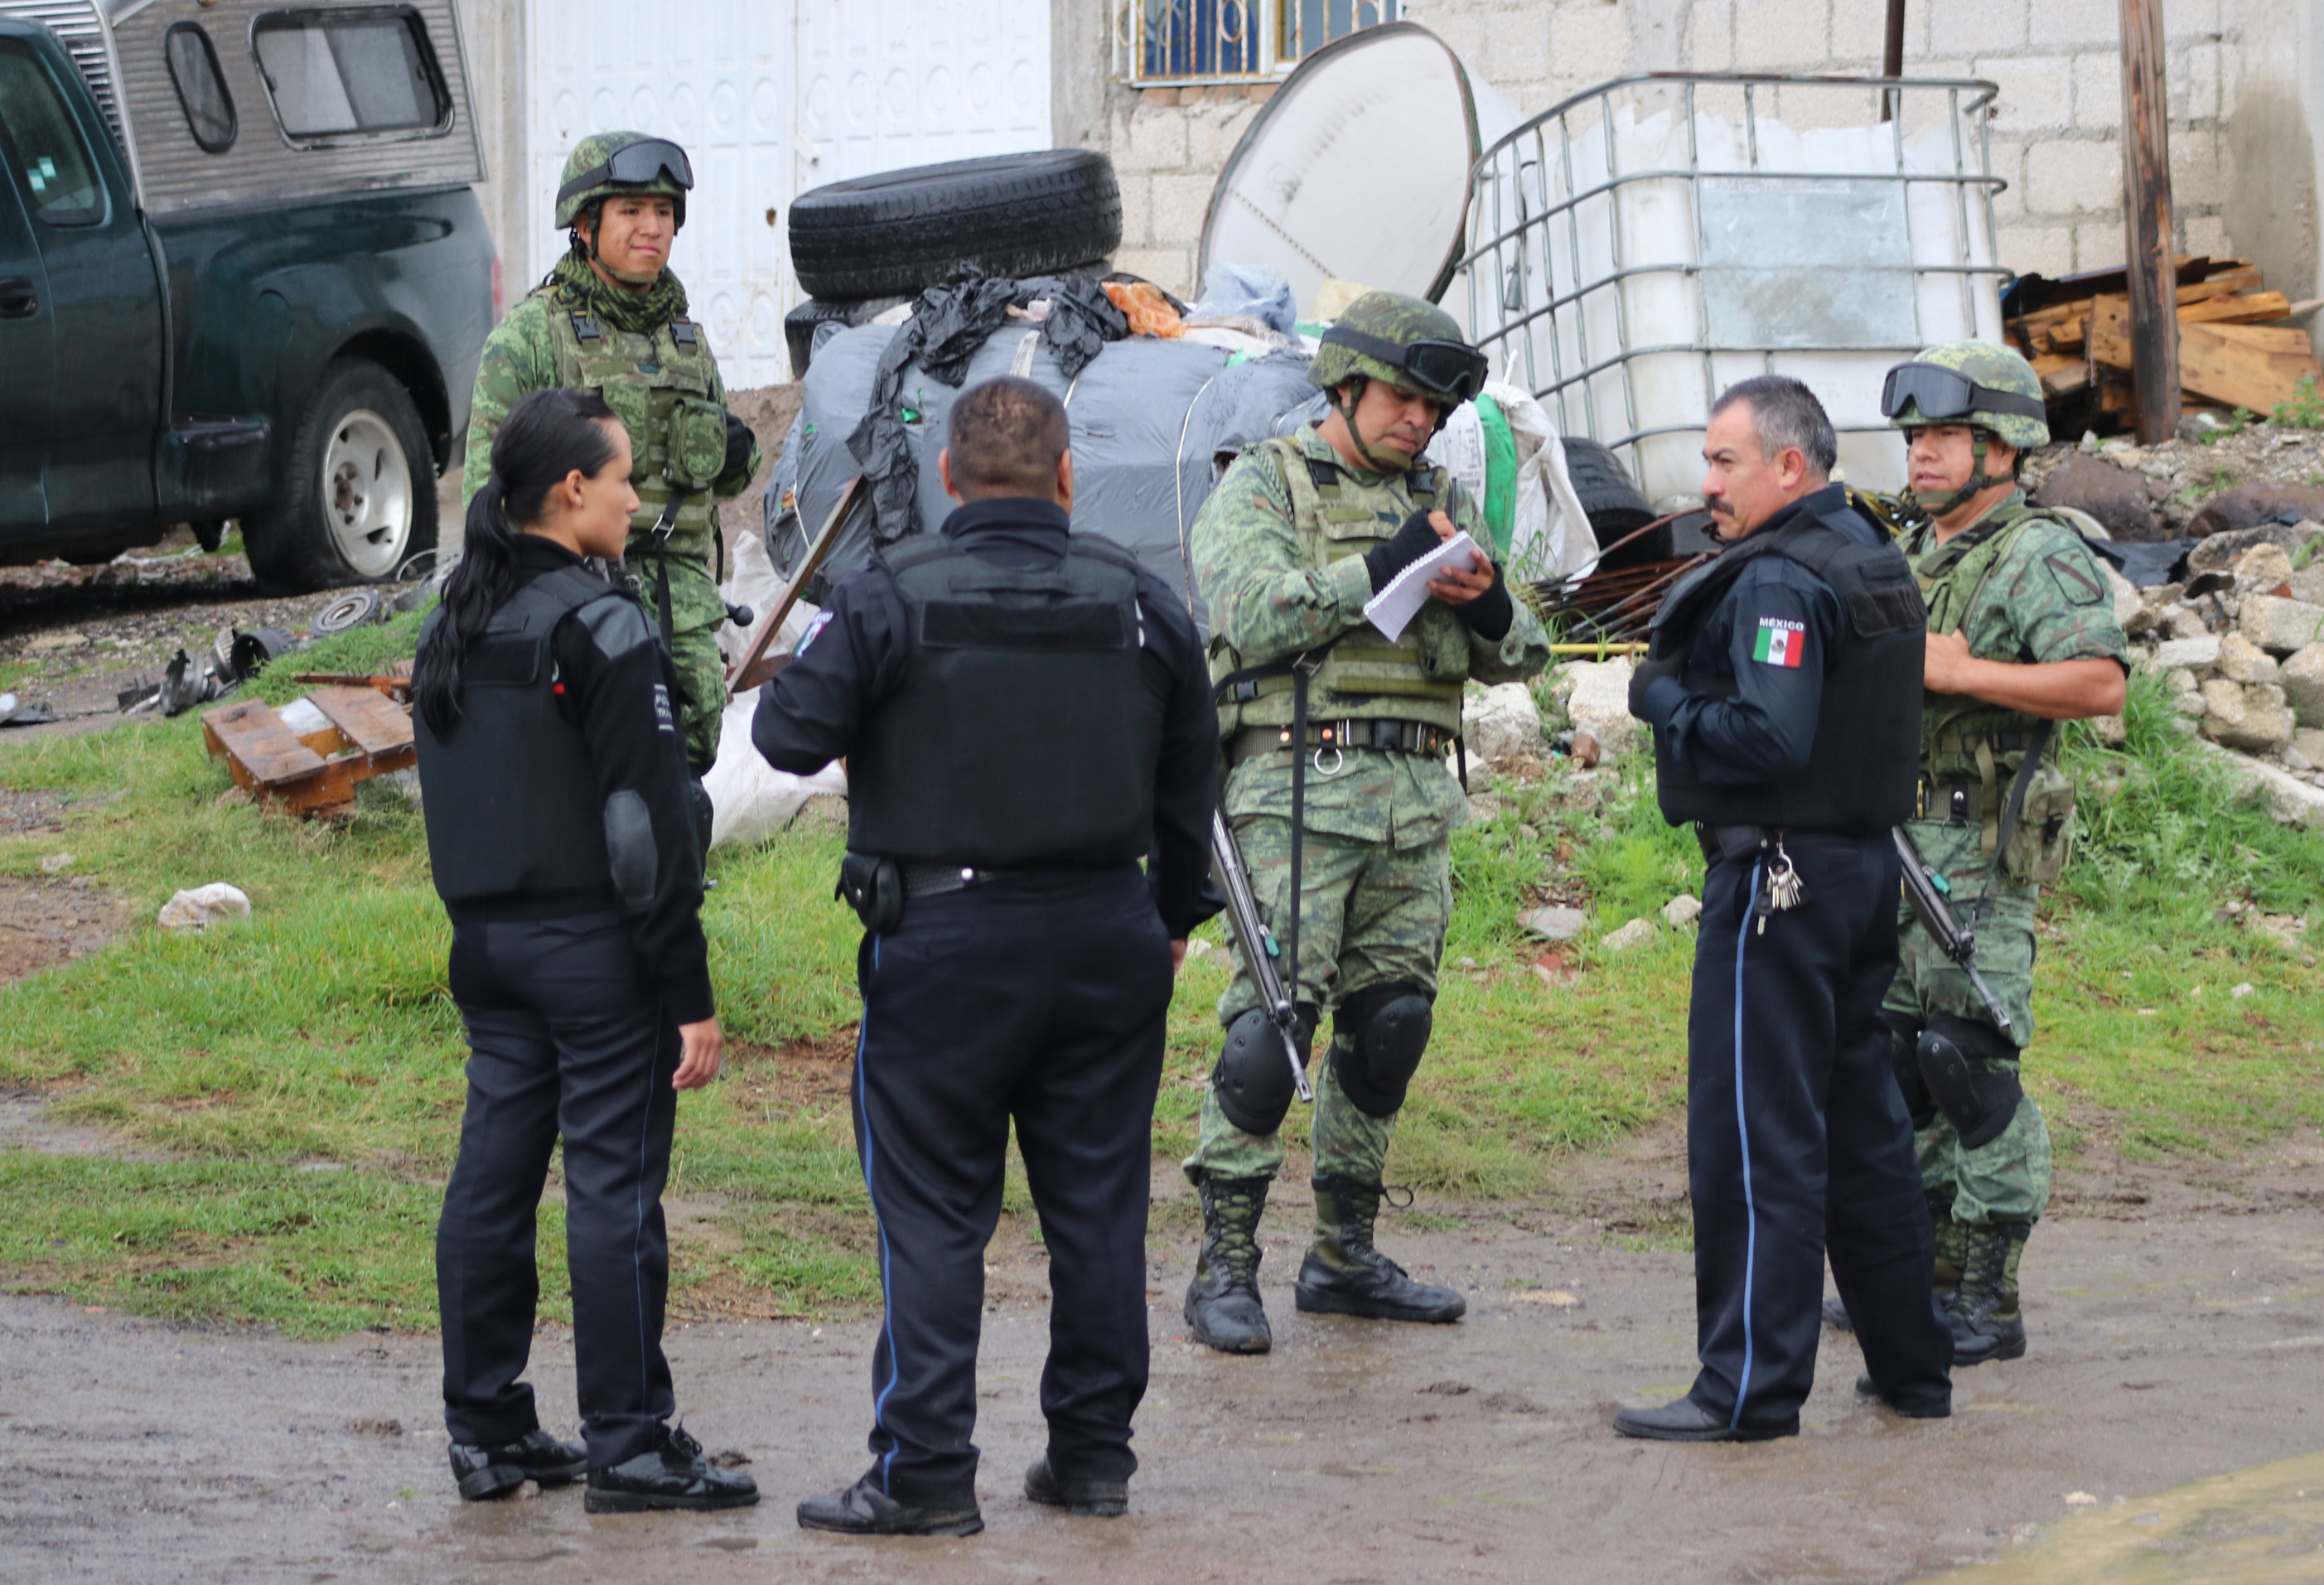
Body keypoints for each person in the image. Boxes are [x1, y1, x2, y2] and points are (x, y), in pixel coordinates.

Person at [752, 376, 1219, 1537]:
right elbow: (1193, 791)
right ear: (1068, 479)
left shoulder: (889, 596)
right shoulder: (1147, 604)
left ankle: (924, 1475)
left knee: (932, 1217)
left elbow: (782, 733)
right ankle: (1093, 1458)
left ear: (951, 482)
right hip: (1109, 938)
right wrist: (1166, 920)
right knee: (1100, 1210)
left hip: (947, 946)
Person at [1180, 290, 1551, 1356]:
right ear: (1344, 386)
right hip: (1297, 792)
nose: (1420, 422)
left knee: (1389, 1026)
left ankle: (1344, 1253)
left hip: (1415, 800)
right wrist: (1373, 571)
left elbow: (1523, 645)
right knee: (1270, 1031)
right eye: (1403, 399)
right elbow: (1246, 612)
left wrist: (1486, 607)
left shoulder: (1442, 498)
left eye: (1435, 409)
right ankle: (1225, 1264)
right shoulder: (1265, 482)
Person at [414, 387, 756, 1513]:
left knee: (494, 1177)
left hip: (487, 949)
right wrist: (689, 994)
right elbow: (643, 830)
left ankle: (489, 1428)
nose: (634, 499)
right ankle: (631, 1444)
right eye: (622, 480)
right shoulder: (602, 625)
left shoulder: (454, 620)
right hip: (592, 953)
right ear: (571, 491)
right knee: (614, 1190)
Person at [1618, 375, 1952, 1442]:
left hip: (1780, 879)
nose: (1705, 483)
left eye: (1724, 462)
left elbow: (1769, 735)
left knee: (1757, 1137)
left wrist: (1660, 693)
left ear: (1789, 468)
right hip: (1857, 878)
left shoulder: (1780, 580)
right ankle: (1913, 1367)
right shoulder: (1869, 554)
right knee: (1863, 1129)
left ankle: (1746, 1390)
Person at [1852, 341, 2128, 1366]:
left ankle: (1990, 1298)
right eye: (1914, 436)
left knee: (1966, 1065)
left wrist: (1971, 669)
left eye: (1944, 436)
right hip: (1899, 840)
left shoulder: (2035, 551)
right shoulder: (1917, 551)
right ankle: (1924, 1278)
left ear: (2003, 447)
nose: (1920, 454)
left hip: (1979, 846)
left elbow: (2102, 683)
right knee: (1900, 1069)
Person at [464, 131, 758, 805]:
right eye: (630, 211)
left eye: (663, 212)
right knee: (580, 759)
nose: (651, 228)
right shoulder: (532, 336)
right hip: (576, 594)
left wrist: (734, 452)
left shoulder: (687, 339)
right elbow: (490, 484)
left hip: (680, 594)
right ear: (586, 226)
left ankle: (673, 884)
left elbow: (725, 475)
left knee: (688, 757)